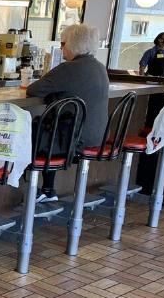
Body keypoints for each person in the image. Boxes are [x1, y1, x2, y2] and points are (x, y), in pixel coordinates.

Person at [27, 23, 109, 203]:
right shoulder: (100, 67)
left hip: (75, 139)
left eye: (62, 44)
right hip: (99, 136)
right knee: (52, 125)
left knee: (33, 130)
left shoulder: (68, 69)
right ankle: (47, 189)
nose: (61, 48)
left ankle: (37, 188)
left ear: (73, 44)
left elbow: (33, 90)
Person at [139, 32, 164, 126]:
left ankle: (159, 127)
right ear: (158, 39)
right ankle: (148, 126)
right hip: (151, 82)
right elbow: (142, 67)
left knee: (163, 106)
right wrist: (142, 80)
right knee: (151, 106)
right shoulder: (151, 52)